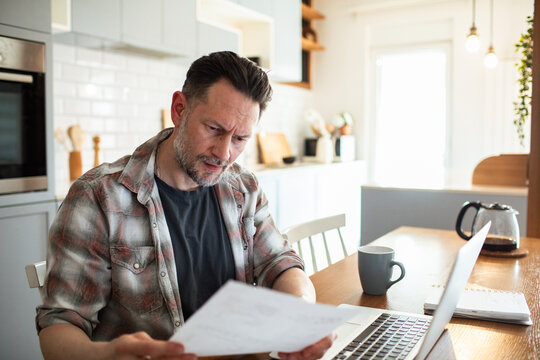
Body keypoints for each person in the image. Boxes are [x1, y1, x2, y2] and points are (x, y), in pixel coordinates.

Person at [36, 51, 335, 360]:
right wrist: (106, 355)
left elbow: (280, 263)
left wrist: (300, 316)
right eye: (214, 129)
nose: (224, 153)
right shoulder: (98, 197)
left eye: (240, 139)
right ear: (179, 109)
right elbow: (59, 326)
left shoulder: (244, 188)